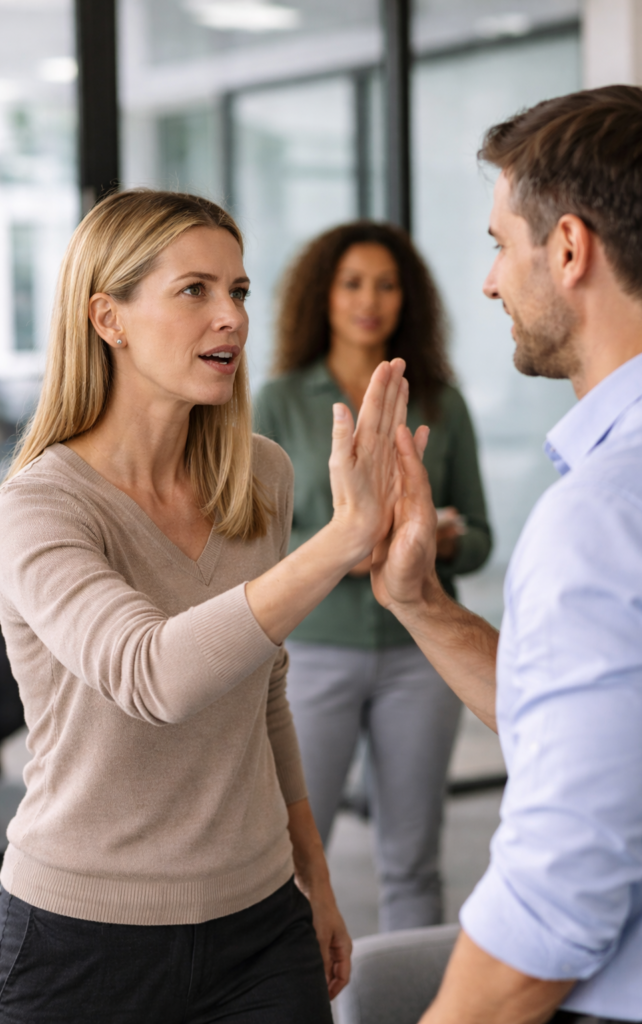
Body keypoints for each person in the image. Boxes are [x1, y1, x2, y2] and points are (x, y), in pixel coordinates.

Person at [0, 189, 410, 1024]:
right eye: (195, 291)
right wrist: (338, 542)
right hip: (82, 939)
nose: (230, 317)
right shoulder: (40, 506)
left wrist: (316, 883)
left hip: (259, 926)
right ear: (107, 318)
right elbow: (154, 675)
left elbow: (260, 692)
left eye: (240, 291)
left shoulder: (258, 476)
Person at [370, 86, 642, 1023]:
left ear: (570, 249)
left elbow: (558, 899)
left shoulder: (606, 513)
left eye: (501, 243)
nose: (490, 281)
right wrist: (420, 598)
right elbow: (602, 730)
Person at [255, 221, 491, 931]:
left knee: (413, 860)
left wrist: (440, 540)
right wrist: (338, 544)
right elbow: (249, 536)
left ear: (406, 299)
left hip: (419, 659)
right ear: (321, 296)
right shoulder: (277, 401)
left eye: (386, 284)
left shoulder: (441, 402)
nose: (370, 299)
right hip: (314, 653)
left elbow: (480, 537)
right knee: (296, 857)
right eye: (352, 282)